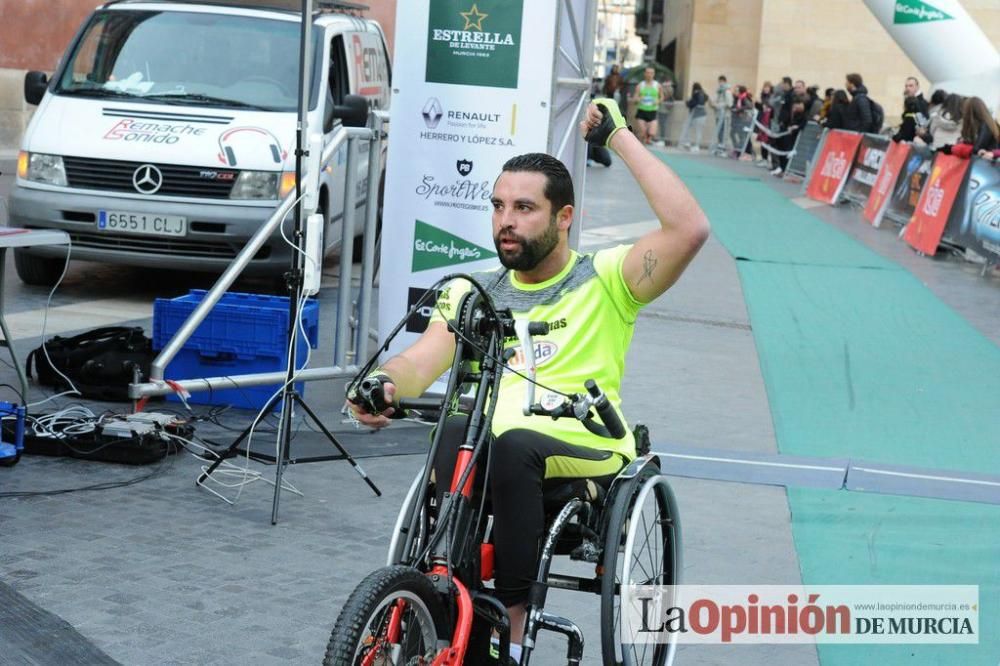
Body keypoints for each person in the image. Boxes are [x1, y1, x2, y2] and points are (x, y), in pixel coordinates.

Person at [347, 98, 710, 656]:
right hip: (489, 452)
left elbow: (689, 229)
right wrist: (384, 384)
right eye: (497, 207)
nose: (505, 222)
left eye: (524, 208)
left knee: (512, 444)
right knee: (456, 431)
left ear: (564, 217)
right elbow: (419, 362)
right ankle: (448, 602)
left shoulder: (609, 280)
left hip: (584, 446)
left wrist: (618, 137)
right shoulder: (471, 293)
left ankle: (513, 636)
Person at [631, 66, 662, 145]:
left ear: (654, 74)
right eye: (648, 73)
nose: (649, 74)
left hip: (652, 111)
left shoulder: (657, 85)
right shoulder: (640, 85)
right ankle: (642, 145)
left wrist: (658, 101)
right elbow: (635, 98)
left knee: (652, 133)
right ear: (645, 74)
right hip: (642, 111)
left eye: (651, 73)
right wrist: (638, 99)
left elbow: (662, 97)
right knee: (643, 132)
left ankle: (647, 140)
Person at [678, 82, 708, 152]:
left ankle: (692, 144)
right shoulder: (704, 94)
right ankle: (692, 144)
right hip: (701, 115)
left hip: (696, 115)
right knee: (696, 130)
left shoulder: (696, 94)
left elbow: (692, 103)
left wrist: (687, 103)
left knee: (688, 128)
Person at [709, 74, 734, 152]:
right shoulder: (718, 91)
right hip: (718, 114)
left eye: (722, 81)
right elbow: (714, 99)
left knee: (723, 130)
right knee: (719, 130)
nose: (720, 83)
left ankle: (723, 146)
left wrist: (718, 105)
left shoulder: (727, 91)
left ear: (725, 82)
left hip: (724, 114)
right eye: (719, 81)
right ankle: (720, 145)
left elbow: (729, 103)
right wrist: (712, 104)